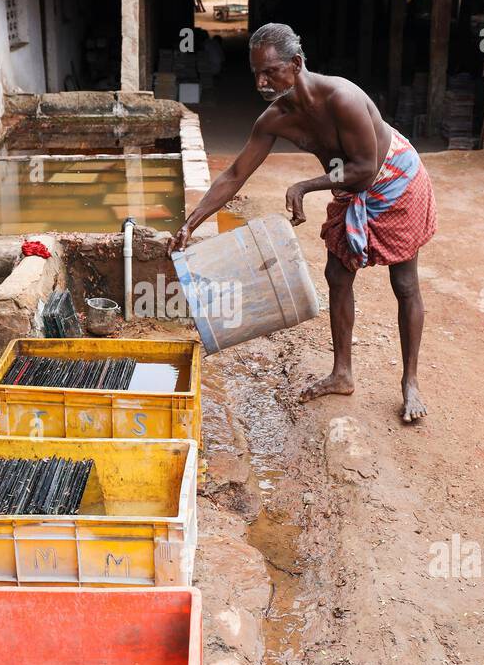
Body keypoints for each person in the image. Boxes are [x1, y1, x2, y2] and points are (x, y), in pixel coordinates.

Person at [168, 23, 437, 422]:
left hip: (395, 179)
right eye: (256, 74)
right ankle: (342, 373)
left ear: (296, 64)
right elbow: (235, 174)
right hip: (350, 188)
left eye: (270, 72)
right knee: (337, 274)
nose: (261, 83)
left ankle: (410, 383)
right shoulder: (275, 119)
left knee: (405, 283)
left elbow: (365, 168)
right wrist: (191, 223)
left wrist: (305, 186)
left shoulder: (342, 98)